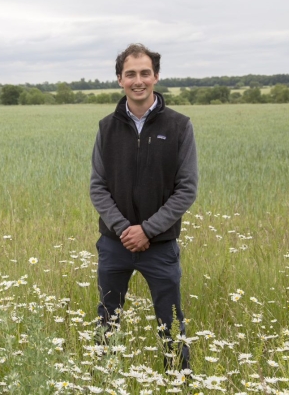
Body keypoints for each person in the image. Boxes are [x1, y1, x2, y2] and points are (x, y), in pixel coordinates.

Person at [89, 43, 198, 371]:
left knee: (171, 322)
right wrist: (125, 230)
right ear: (119, 79)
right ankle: (105, 380)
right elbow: (98, 187)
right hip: (114, 245)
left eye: (145, 73)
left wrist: (147, 230)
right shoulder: (106, 127)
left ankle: (179, 381)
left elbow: (186, 189)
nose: (138, 80)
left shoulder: (179, 126)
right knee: (108, 320)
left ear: (156, 77)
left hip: (160, 247)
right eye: (130, 74)